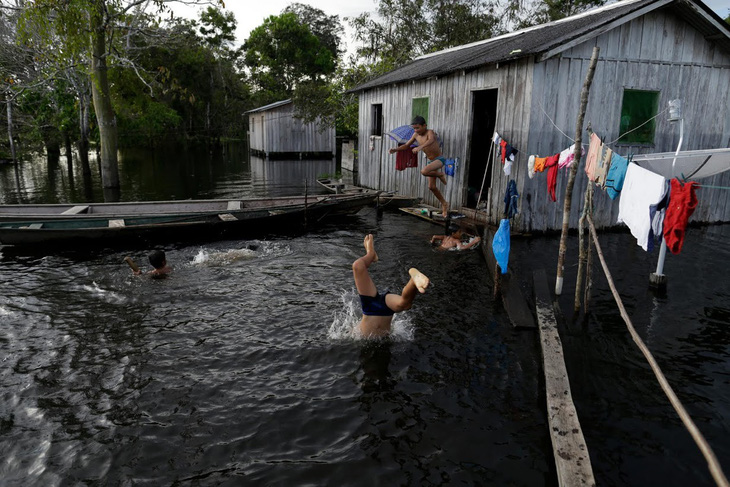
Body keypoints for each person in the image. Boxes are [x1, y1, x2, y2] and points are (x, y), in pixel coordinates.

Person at [353, 234, 430, 337]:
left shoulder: (352, 335)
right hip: (381, 308)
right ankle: (413, 280)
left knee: (357, 266)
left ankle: (371, 254)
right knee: (405, 304)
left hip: (369, 307)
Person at [389, 115, 449, 217]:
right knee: (431, 187)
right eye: (414, 128)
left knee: (424, 171)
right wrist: (395, 149)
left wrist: (420, 147)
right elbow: (406, 145)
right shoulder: (415, 135)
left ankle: (440, 174)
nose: (416, 130)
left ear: (424, 125)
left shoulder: (430, 132)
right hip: (431, 161)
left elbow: (431, 140)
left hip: (439, 159)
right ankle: (444, 203)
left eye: (418, 128)